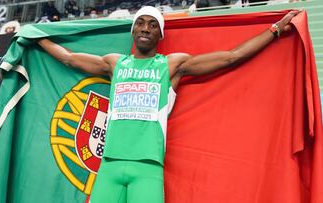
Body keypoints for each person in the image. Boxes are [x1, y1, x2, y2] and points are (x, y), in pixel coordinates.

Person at [37, 6, 300, 203]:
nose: (145, 28)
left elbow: (231, 57)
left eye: (153, 25)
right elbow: (70, 58)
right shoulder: (115, 63)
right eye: (140, 23)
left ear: (160, 34)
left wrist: (274, 30)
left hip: (148, 168)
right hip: (109, 164)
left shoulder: (171, 65)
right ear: (133, 30)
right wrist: (36, 36)